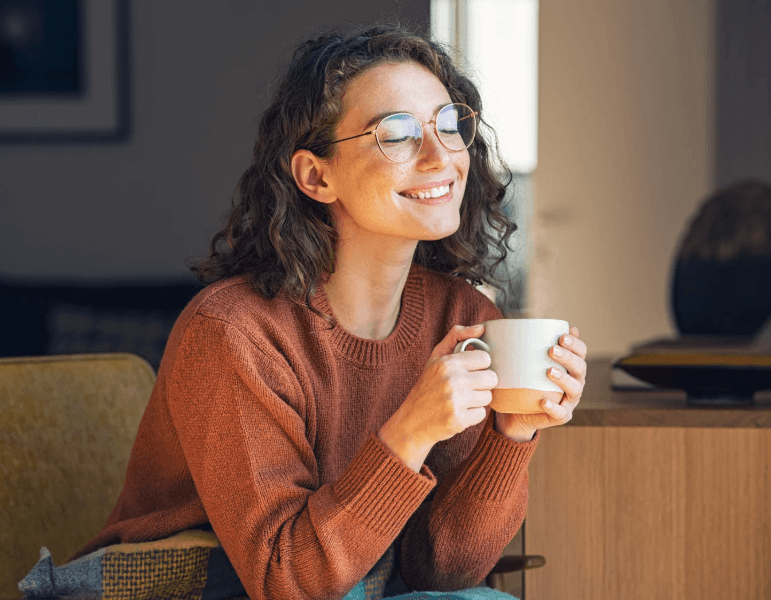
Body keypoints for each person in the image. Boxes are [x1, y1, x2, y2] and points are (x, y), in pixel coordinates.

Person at [69, 22, 589, 600]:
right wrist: (410, 431)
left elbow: (439, 573)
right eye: (396, 134)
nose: (441, 155)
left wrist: (511, 435)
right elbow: (284, 581)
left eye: (449, 124)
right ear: (317, 177)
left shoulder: (462, 316)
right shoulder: (233, 333)